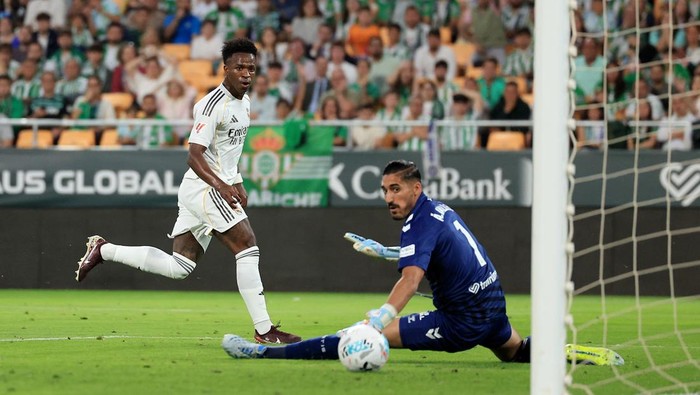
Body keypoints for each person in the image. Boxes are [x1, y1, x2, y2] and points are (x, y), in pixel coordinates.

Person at [221, 160, 623, 367]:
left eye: (396, 189)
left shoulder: (417, 223)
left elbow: (412, 280)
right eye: (384, 191)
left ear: (416, 188)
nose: (388, 197)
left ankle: (263, 354)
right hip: (492, 305)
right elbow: (436, 254)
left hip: (460, 320)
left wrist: (378, 320)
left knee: (352, 337)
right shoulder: (437, 211)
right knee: (513, 352)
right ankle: (583, 354)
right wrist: (386, 251)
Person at [75, 38, 303, 345]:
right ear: (226, 69)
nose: (247, 73)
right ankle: (264, 330)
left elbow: (227, 151)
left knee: (179, 266)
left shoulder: (245, 102)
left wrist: (236, 180)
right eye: (240, 67)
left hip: (208, 188)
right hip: (205, 190)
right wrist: (222, 185)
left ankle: (104, 250)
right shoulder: (211, 106)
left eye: (251, 67)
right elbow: (194, 155)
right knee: (247, 247)